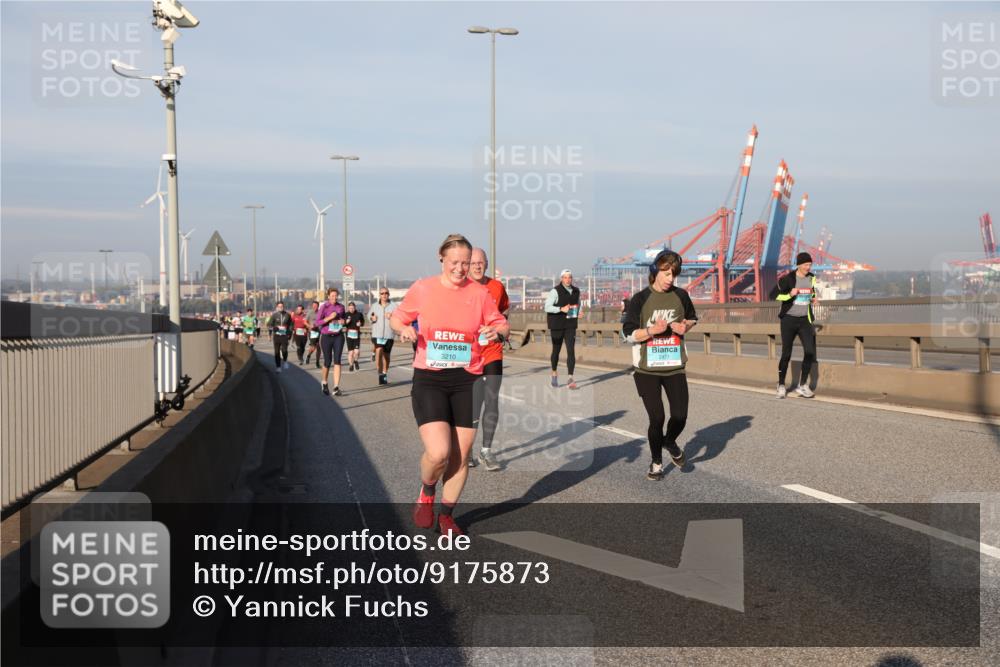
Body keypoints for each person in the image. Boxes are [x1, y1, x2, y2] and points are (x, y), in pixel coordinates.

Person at [391, 234, 509, 536]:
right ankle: (427, 490)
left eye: (466, 263)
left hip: (467, 379)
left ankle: (446, 515)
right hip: (430, 378)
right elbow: (397, 318)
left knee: (461, 453)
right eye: (455, 262)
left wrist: (496, 332)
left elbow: (502, 323)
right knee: (439, 452)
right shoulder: (424, 288)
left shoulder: (479, 293)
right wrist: (405, 329)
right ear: (441, 258)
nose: (460, 268)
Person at [621, 249, 697, 481]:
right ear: (655, 272)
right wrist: (651, 331)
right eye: (666, 273)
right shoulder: (640, 299)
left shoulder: (681, 296)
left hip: (674, 367)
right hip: (646, 370)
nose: (670, 279)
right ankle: (656, 463)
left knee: (680, 416)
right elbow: (627, 333)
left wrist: (686, 327)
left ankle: (670, 441)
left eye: (673, 274)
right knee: (657, 418)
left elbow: (692, 317)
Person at [467, 247, 509, 471]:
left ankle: (487, 452)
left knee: (491, 398)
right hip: (469, 354)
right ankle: (467, 451)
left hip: (492, 351)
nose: (477, 266)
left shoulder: (496, 287)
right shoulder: (460, 287)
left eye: (480, 262)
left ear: (487, 264)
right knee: (473, 404)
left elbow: (504, 313)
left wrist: (499, 329)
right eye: (473, 262)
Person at [772, 252, 818, 399]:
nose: (808, 267)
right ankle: (780, 385)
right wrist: (789, 295)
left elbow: (811, 293)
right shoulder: (788, 279)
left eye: (810, 264)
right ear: (799, 265)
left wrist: (814, 299)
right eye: (805, 264)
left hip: (805, 320)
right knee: (786, 354)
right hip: (789, 320)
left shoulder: (812, 278)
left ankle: (803, 385)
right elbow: (773, 295)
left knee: (810, 352)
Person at [544, 269, 581, 389]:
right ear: (561, 279)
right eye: (565, 277)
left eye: (569, 277)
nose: (568, 280)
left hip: (570, 324)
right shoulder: (555, 291)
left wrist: (579, 312)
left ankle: (570, 378)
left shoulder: (576, 291)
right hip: (557, 325)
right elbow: (547, 307)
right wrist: (560, 309)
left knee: (571, 351)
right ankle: (554, 372)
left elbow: (578, 304)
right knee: (556, 351)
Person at [317, 288, 347, 396]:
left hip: (338, 336)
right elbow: (317, 322)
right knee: (327, 361)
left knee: (337, 360)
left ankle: (336, 387)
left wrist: (343, 321)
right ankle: (324, 382)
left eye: (336, 295)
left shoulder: (341, 307)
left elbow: (344, 320)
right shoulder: (324, 307)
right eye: (332, 295)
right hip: (326, 336)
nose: (334, 297)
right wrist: (329, 318)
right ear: (328, 296)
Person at [370, 287, 396, 385]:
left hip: (389, 335)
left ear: (388, 294)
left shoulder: (394, 306)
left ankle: (384, 373)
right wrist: (372, 318)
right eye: (382, 293)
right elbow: (369, 316)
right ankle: (380, 373)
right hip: (377, 334)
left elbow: (399, 317)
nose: (384, 295)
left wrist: (392, 317)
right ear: (379, 295)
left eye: (386, 293)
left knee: (386, 357)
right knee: (378, 350)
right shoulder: (374, 306)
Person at [267, 302, 293, 373]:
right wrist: (273, 328)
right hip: (277, 336)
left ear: (284, 307)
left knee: (284, 350)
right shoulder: (274, 315)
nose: (280, 307)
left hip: (284, 335)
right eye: (279, 306)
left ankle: (285, 361)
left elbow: (291, 324)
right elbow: (269, 324)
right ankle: (278, 367)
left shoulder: (288, 315)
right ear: (277, 307)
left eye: (282, 306)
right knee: (276, 352)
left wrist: (289, 332)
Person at [344, 301, 365, 372]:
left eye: (352, 308)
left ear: (355, 308)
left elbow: (363, 322)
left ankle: (356, 360)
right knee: (351, 352)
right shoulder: (346, 314)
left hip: (356, 334)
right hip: (349, 335)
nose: (351, 309)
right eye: (350, 308)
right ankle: (351, 365)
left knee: (356, 351)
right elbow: (343, 324)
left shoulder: (359, 314)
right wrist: (346, 322)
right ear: (348, 308)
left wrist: (360, 324)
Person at [304, 301, 321, 369]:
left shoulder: (320, 312)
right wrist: (309, 326)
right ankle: (308, 355)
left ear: (318, 306)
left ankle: (317, 362)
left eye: (316, 306)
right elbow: (305, 322)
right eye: (313, 306)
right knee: (313, 347)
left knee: (319, 348)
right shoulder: (310, 312)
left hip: (320, 331)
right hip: (312, 332)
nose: (314, 307)